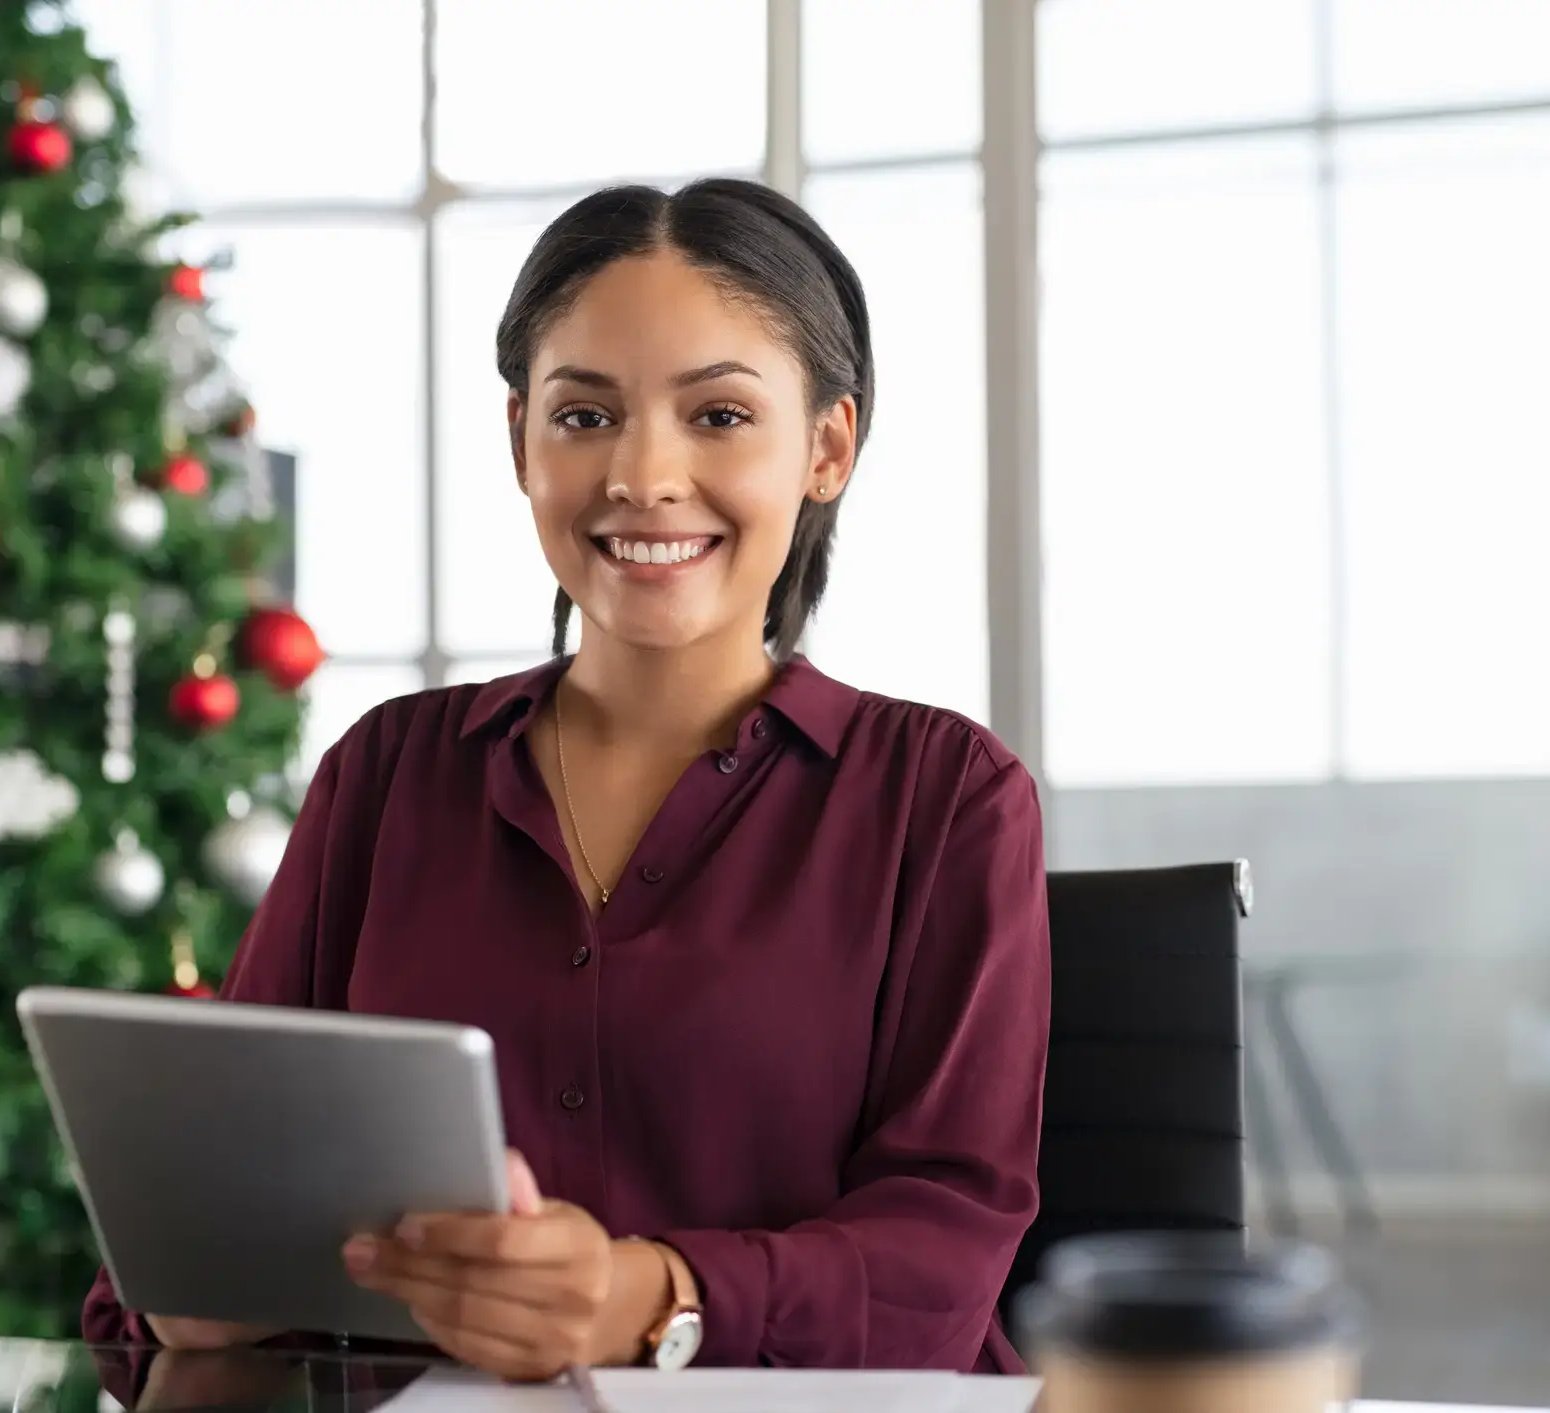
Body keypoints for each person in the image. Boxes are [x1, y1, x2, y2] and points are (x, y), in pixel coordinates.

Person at [81, 178, 1051, 1381]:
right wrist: (198, 1294)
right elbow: (219, 1200)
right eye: (585, 416)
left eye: (719, 417)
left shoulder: (945, 796)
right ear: (519, 441)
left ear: (828, 447)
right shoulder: (385, 775)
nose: (643, 476)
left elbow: (942, 1259)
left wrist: (648, 1302)